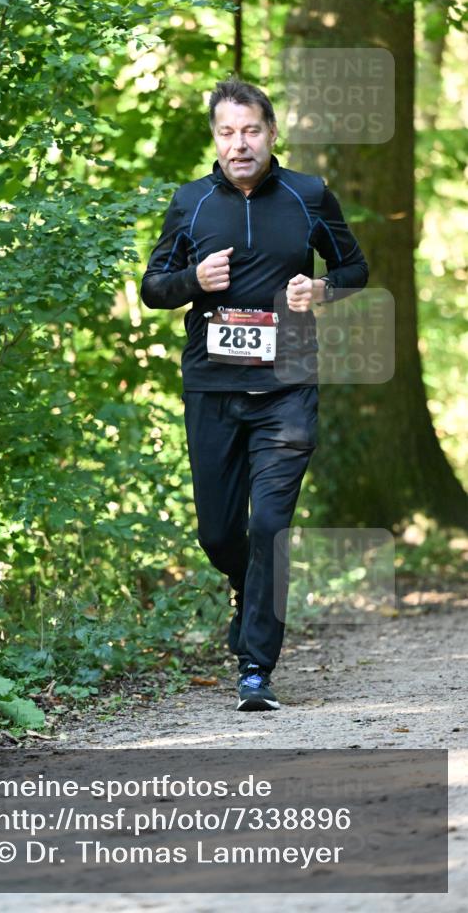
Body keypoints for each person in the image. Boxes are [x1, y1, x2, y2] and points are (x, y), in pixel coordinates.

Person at [139, 78, 368, 711]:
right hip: (211, 385)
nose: (239, 144)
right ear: (215, 137)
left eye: (251, 130)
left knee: (269, 524)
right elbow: (153, 286)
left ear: (272, 133)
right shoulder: (190, 203)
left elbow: (354, 270)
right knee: (218, 533)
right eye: (226, 132)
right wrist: (193, 277)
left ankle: (255, 668)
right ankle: (249, 589)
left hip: (286, 387)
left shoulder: (308, 195)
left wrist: (322, 291)